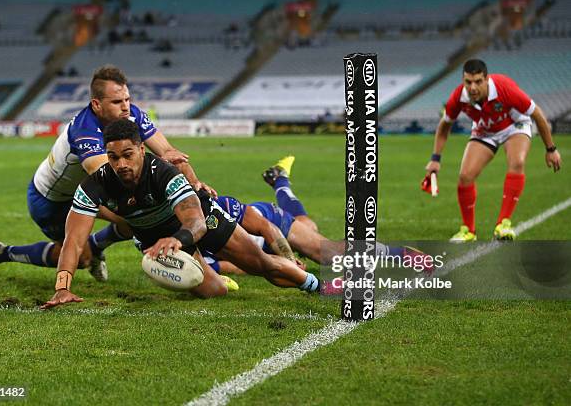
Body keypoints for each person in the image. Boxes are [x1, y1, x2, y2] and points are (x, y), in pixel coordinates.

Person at [40, 120, 336, 309]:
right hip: (154, 238)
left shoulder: (164, 172)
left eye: (128, 155)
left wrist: (178, 239)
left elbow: (195, 222)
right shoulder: (94, 184)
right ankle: (216, 275)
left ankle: (318, 286)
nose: (120, 164)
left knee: (261, 265)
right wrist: (62, 288)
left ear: (142, 150)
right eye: (113, 157)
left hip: (200, 222)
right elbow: (73, 241)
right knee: (214, 292)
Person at [0, 65, 215, 282]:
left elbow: (168, 153)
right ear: (96, 105)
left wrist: (191, 184)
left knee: (139, 219)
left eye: (127, 99)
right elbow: (108, 180)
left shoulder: (130, 114)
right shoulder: (84, 132)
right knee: (85, 255)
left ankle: (98, 246)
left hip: (84, 190)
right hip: (51, 200)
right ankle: (5, 252)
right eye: (116, 102)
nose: (125, 107)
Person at [206, 156, 432, 275]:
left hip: (267, 222)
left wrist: (286, 262)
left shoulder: (205, 214)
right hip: (258, 233)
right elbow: (232, 266)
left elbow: (260, 239)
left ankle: (401, 254)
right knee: (308, 226)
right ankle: (279, 179)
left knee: (327, 253)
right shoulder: (187, 248)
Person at [425, 59, 562, 242]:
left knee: (517, 162)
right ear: (463, 81)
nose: (473, 87)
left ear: (486, 79)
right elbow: (444, 126)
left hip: (514, 125)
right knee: (465, 175)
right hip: (485, 131)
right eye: (468, 82)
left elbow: (537, 114)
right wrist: (435, 158)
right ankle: (468, 231)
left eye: (478, 82)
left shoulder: (505, 89)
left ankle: (503, 224)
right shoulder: (459, 97)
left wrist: (551, 149)